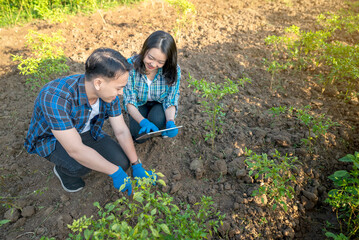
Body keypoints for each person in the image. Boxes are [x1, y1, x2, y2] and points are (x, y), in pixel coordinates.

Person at [24, 48, 155, 195]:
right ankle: (63, 171)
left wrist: (136, 165)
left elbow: (121, 130)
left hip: (84, 131)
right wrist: (115, 173)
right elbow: (75, 149)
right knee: (79, 165)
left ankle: (93, 157)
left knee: (122, 162)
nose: (121, 93)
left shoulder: (108, 93)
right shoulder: (55, 97)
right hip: (52, 139)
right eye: (119, 88)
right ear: (98, 83)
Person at [123, 30, 181, 143]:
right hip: (139, 103)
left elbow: (171, 98)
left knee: (157, 120)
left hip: (159, 104)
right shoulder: (130, 66)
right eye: (150, 58)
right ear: (145, 50)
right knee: (139, 137)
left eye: (160, 62)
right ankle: (150, 125)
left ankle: (162, 126)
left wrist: (170, 121)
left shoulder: (173, 70)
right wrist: (142, 121)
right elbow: (129, 100)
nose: (153, 65)